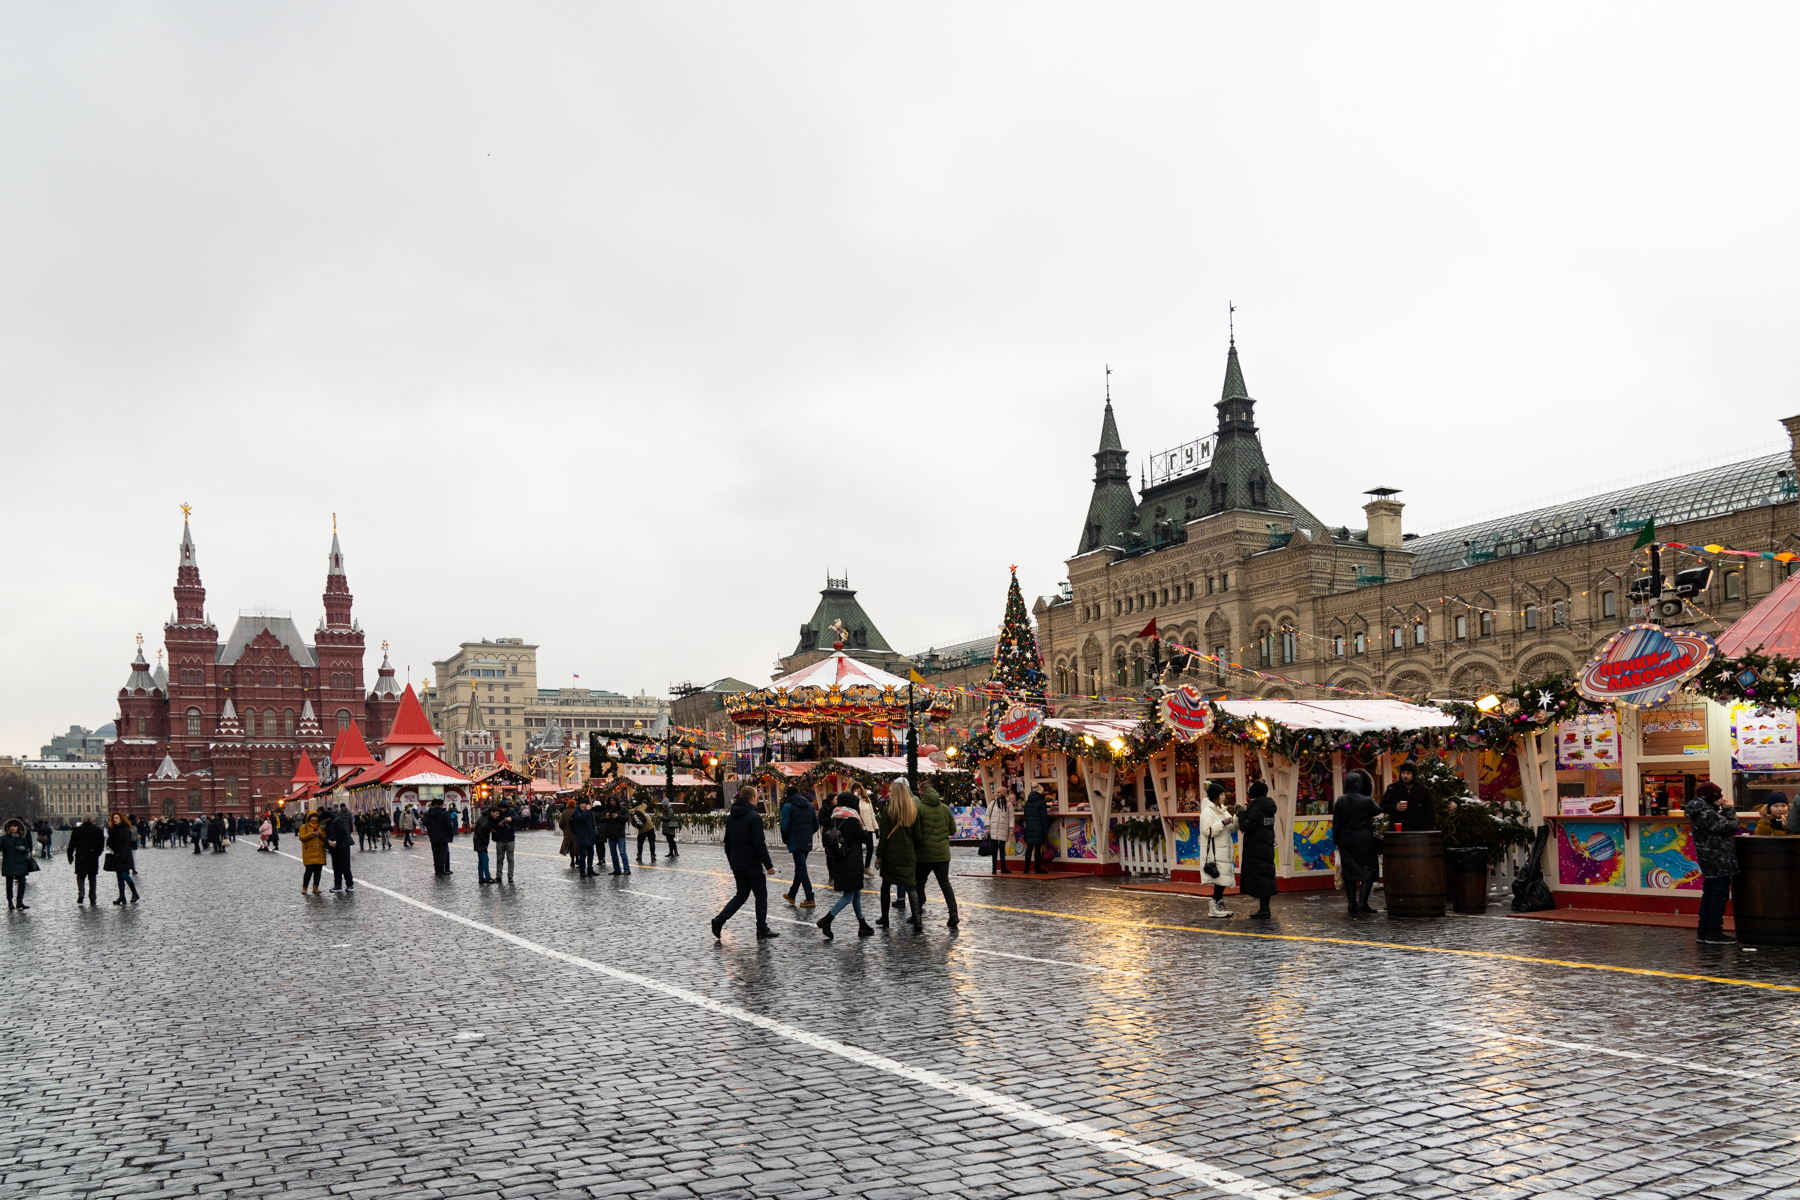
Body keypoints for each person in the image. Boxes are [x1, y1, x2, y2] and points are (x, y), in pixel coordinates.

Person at [711, 786, 779, 941]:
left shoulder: (731, 816)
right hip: (751, 863)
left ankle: (720, 920)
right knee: (760, 894)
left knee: (741, 895)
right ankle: (761, 928)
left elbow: (727, 843)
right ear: (752, 798)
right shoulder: (753, 817)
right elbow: (759, 844)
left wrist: (732, 861)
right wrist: (768, 865)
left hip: (737, 862)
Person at [818, 792, 875, 939]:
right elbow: (864, 838)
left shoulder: (835, 817)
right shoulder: (851, 820)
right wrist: (862, 825)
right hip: (852, 861)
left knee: (856, 893)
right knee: (849, 895)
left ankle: (862, 924)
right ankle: (827, 919)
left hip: (839, 859)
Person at [1689, 781, 1740, 945]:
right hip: (1718, 859)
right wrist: (1729, 810)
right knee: (1719, 895)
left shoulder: (1702, 811)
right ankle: (1714, 932)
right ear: (1711, 797)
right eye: (1718, 796)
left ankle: (1703, 931)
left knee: (1710, 894)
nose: (1722, 799)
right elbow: (1731, 826)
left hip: (1709, 859)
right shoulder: (1707, 813)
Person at [1333, 769, 1382, 915]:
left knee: (1349, 872)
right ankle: (1362, 903)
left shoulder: (1341, 800)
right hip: (1364, 839)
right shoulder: (1367, 801)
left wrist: (1337, 841)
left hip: (1345, 840)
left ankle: (1351, 904)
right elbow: (1378, 810)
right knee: (1369, 869)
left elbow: (1336, 823)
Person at [877, 779, 922, 931]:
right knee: (911, 885)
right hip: (908, 853)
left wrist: (879, 856)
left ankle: (885, 918)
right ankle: (917, 920)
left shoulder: (888, 811)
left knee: (886, 886)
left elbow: (883, 837)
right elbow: (918, 837)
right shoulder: (913, 811)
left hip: (890, 854)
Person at [913, 780, 959, 927]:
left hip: (924, 854)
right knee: (945, 883)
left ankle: (917, 914)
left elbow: (917, 834)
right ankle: (953, 913)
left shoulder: (919, 809)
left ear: (921, 793)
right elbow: (952, 830)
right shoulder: (945, 808)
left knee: (919, 884)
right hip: (942, 853)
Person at [1198, 781, 1239, 919]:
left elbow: (1231, 827)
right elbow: (1207, 831)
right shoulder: (1207, 811)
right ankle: (1214, 905)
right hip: (1214, 853)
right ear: (1215, 796)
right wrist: (1222, 823)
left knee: (1222, 880)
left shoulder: (1222, 809)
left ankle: (1218, 904)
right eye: (1221, 794)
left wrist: (1238, 817)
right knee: (1220, 879)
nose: (1224, 797)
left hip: (1223, 851)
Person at [1238, 780, 1278, 919]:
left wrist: (1241, 813)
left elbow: (1246, 826)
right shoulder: (1268, 807)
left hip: (1256, 847)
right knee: (1265, 875)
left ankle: (1264, 909)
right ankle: (1265, 908)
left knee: (1260, 876)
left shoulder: (1256, 808)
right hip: (1266, 846)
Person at [778, 787, 818, 908]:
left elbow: (784, 826)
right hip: (806, 840)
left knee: (801, 869)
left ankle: (810, 897)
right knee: (800, 868)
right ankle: (792, 894)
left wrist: (787, 840)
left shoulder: (788, 806)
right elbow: (816, 824)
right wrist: (807, 834)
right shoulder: (810, 806)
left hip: (795, 840)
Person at [1381, 759, 1436, 832]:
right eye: (1403, 773)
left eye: (1408, 773)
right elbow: (1382, 806)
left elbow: (1430, 812)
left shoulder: (1423, 790)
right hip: (1397, 832)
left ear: (1414, 774)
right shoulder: (1393, 788)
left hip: (1418, 832)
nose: (1405, 776)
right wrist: (1395, 808)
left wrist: (1425, 829)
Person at [67, 815, 104, 905]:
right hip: (92, 856)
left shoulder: (77, 830)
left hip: (80, 856)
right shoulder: (98, 830)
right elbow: (101, 845)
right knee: (92, 877)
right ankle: (92, 897)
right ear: (92, 820)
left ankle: (81, 893)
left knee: (80, 876)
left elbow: (71, 845)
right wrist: (97, 854)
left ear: (83, 820)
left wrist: (70, 857)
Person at [106, 812, 139, 905]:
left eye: (116, 818)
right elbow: (111, 845)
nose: (115, 819)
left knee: (125, 875)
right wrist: (110, 834)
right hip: (116, 855)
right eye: (113, 818)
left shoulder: (126, 830)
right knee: (119, 877)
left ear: (121, 819)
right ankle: (122, 896)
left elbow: (127, 844)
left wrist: (124, 856)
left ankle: (134, 893)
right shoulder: (113, 830)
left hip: (125, 855)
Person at [2, 818, 33, 910]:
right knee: (9, 884)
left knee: (22, 883)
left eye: (15, 826)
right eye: (11, 826)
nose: (13, 828)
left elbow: (26, 850)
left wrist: (24, 849)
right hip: (9, 863)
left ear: (18, 827)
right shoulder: (3, 839)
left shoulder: (22, 838)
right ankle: (10, 901)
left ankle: (19, 901)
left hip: (20, 863)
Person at [423, 797, 458, 876]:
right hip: (443, 836)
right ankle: (442, 869)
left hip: (434, 836)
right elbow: (448, 825)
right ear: (442, 805)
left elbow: (427, 825)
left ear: (435, 804)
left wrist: (430, 834)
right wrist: (450, 834)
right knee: (443, 854)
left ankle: (437, 870)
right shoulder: (444, 813)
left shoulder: (429, 813)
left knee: (435, 853)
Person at [599, 792, 631, 876]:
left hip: (620, 833)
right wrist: (605, 817)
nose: (612, 802)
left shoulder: (622, 808)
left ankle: (626, 869)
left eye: (613, 800)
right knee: (613, 853)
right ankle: (617, 869)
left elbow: (626, 818)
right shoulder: (607, 808)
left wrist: (618, 816)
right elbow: (601, 819)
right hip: (610, 834)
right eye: (611, 800)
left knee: (622, 852)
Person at [326, 805, 355, 892]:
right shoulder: (329, 823)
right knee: (336, 867)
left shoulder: (337, 821)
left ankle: (349, 884)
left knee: (344, 866)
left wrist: (335, 841)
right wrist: (329, 842)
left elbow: (343, 833)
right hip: (335, 847)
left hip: (343, 846)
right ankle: (338, 885)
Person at [1020, 786, 1049, 875]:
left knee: (1029, 849)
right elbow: (1044, 817)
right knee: (1037, 849)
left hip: (1029, 827)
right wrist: (1045, 829)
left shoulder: (1028, 802)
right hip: (1039, 827)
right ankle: (1037, 868)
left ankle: (1027, 869)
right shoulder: (1041, 802)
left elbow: (1025, 814)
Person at [986, 787, 1013, 875]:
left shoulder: (1008, 805)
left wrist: (1011, 829)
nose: (996, 793)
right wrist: (987, 827)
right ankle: (994, 867)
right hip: (994, 829)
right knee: (994, 850)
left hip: (1003, 829)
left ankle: (1003, 867)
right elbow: (987, 815)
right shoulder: (993, 803)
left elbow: (1011, 817)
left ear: (1003, 793)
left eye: (998, 792)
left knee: (1002, 849)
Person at [297, 812, 326, 893]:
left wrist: (320, 834)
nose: (314, 822)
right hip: (309, 852)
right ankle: (304, 887)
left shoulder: (321, 827)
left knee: (318, 871)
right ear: (309, 820)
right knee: (308, 871)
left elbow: (324, 838)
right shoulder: (304, 827)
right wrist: (311, 834)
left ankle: (316, 887)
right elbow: (301, 837)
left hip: (319, 852)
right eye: (312, 820)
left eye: (315, 821)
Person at [569, 798, 598, 877]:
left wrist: (593, 833)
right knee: (582, 855)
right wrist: (587, 811)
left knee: (591, 854)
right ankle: (582, 871)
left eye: (585, 804)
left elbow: (592, 824)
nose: (584, 806)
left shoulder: (590, 812)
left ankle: (590, 869)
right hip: (582, 836)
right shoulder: (577, 812)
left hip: (589, 836)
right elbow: (581, 818)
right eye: (582, 804)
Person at [854, 785, 878, 880]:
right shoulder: (853, 799)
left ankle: (866, 867)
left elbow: (872, 814)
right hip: (859, 827)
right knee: (858, 848)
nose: (857, 791)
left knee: (870, 847)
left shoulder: (866, 799)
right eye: (855, 789)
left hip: (868, 827)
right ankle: (859, 868)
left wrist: (876, 827)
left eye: (858, 789)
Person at [490, 806, 516, 883]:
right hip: (500, 839)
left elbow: (519, 818)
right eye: (501, 808)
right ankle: (499, 876)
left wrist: (511, 818)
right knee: (499, 859)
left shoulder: (511, 812)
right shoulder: (497, 814)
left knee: (510, 859)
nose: (502, 809)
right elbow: (492, 824)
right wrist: (498, 825)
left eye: (504, 808)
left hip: (510, 839)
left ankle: (510, 876)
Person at [631, 795, 658, 864]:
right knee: (651, 842)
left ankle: (639, 856)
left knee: (640, 843)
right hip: (650, 826)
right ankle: (653, 856)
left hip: (641, 830)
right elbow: (645, 805)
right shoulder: (640, 808)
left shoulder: (630, 814)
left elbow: (633, 824)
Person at [472, 807, 493, 884]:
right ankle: (488, 877)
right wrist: (484, 842)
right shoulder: (486, 820)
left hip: (477, 841)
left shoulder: (483, 818)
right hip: (481, 842)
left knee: (481, 860)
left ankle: (481, 877)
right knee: (485, 859)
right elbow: (481, 832)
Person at [659, 794, 680, 860]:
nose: (662, 806)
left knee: (671, 840)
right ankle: (671, 852)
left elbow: (668, 818)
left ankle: (675, 852)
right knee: (669, 840)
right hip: (667, 828)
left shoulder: (670, 810)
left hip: (670, 827)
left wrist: (661, 817)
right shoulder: (666, 810)